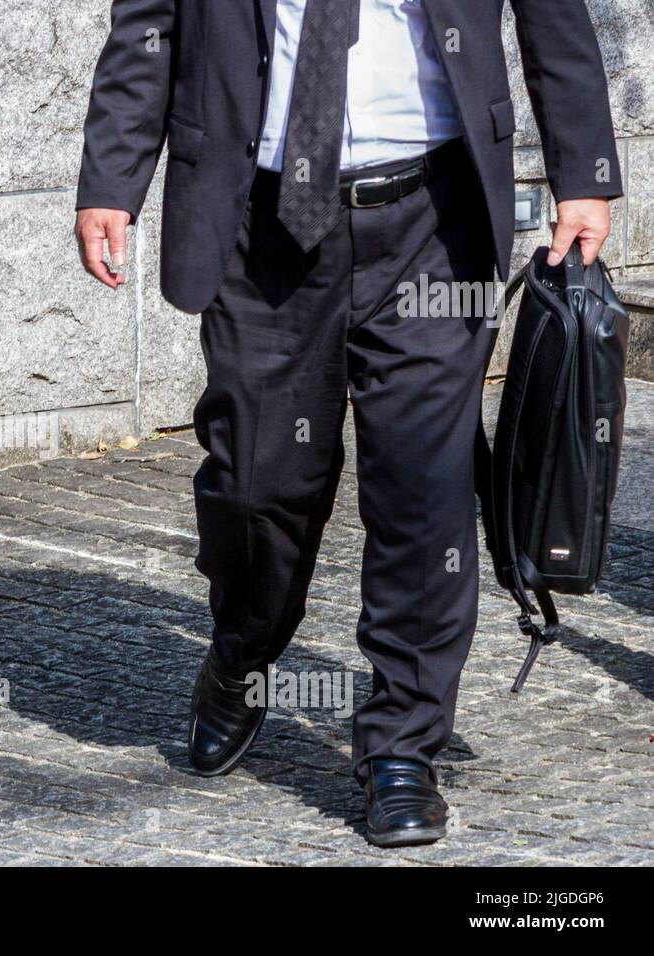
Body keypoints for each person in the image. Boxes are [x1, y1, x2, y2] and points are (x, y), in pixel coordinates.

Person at [74, 0, 621, 846]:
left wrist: (581, 172)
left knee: (424, 488)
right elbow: (150, 21)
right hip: (264, 225)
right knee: (256, 486)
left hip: (434, 220)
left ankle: (402, 744)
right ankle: (243, 648)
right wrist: (112, 177)